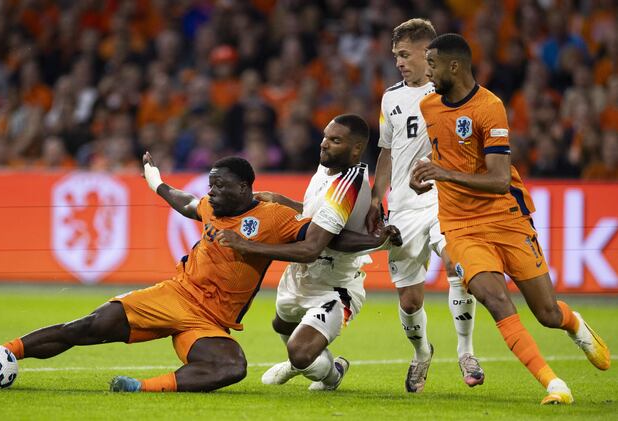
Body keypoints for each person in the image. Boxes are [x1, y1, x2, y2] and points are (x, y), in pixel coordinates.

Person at [0, 154, 314, 393]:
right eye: (210, 184)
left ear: (243, 188)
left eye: (220, 186)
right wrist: (155, 182)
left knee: (233, 367)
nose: (211, 192)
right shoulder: (210, 205)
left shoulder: (273, 217)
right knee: (88, 326)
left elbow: (322, 237)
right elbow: (185, 202)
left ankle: (141, 387)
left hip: (209, 322)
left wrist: (371, 240)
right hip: (176, 294)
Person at [411, 33, 610, 405]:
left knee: (548, 313)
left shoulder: (490, 107)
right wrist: (421, 175)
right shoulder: (428, 106)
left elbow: (500, 179)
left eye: (433, 64)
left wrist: (443, 174)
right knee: (494, 298)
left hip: (505, 218)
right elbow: (440, 154)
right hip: (460, 225)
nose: (428, 72)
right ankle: (554, 384)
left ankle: (576, 325)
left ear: (455, 66)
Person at [217, 114, 402, 391]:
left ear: (356, 149)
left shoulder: (347, 185)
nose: (324, 144)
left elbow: (312, 248)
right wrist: (284, 202)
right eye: (326, 137)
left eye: (335, 140)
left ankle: (330, 372)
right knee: (280, 324)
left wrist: (247, 246)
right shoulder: (326, 167)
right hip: (300, 277)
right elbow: (316, 216)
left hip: (334, 285)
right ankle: (316, 366)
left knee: (301, 353)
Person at [368, 18, 482, 393]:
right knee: (410, 298)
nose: (399, 62)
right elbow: (386, 150)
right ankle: (421, 353)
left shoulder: (449, 94)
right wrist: (374, 196)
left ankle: (466, 350)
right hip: (401, 207)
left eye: (404, 55)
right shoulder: (391, 98)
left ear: (427, 52)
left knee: (457, 263)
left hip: (440, 199)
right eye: (395, 56)